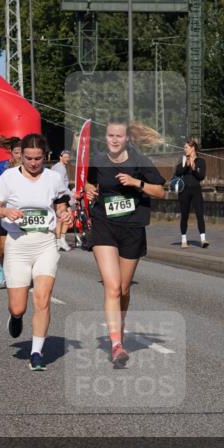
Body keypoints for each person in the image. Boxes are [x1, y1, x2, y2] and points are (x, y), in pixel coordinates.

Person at [84, 119, 166, 368]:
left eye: (119, 136)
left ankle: (120, 325)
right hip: (103, 226)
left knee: (123, 289)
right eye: (110, 136)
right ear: (106, 137)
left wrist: (136, 183)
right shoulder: (97, 160)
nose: (115, 140)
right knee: (112, 287)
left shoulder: (139, 161)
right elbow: (85, 183)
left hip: (132, 228)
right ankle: (116, 343)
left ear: (127, 138)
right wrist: (88, 190)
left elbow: (161, 191)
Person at [0, 133, 72, 371]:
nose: (34, 163)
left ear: (44, 156)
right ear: (21, 156)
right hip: (17, 244)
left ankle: (36, 352)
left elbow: (60, 204)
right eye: (28, 158)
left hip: (45, 243)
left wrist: (64, 213)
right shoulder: (9, 177)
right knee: (19, 307)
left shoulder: (53, 177)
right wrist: (6, 213)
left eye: (38, 158)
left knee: (42, 299)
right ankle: (15, 318)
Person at [0, 136, 22, 287]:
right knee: (3, 249)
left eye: (22, 152)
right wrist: (4, 196)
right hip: (3, 211)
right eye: (16, 152)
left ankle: (16, 274)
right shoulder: (2, 167)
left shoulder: (29, 169)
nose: (20, 156)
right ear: (11, 153)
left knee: (19, 245)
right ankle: (2, 266)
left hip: (21, 213)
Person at [174, 138, 208, 248]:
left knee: (200, 214)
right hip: (184, 191)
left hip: (196, 191)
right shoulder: (183, 160)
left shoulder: (201, 161)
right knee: (184, 216)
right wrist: (186, 165)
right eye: (184, 148)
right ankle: (184, 240)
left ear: (192, 148)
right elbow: (178, 172)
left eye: (186, 147)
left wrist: (194, 168)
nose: (184, 150)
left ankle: (203, 240)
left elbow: (201, 176)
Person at [51, 149, 72, 252]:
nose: (68, 159)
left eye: (68, 157)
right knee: (65, 218)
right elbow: (61, 184)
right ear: (60, 157)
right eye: (66, 157)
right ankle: (60, 241)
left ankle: (59, 241)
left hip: (57, 195)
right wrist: (71, 193)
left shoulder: (55, 167)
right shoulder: (60, 168)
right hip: (61, 195)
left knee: (62, 218)